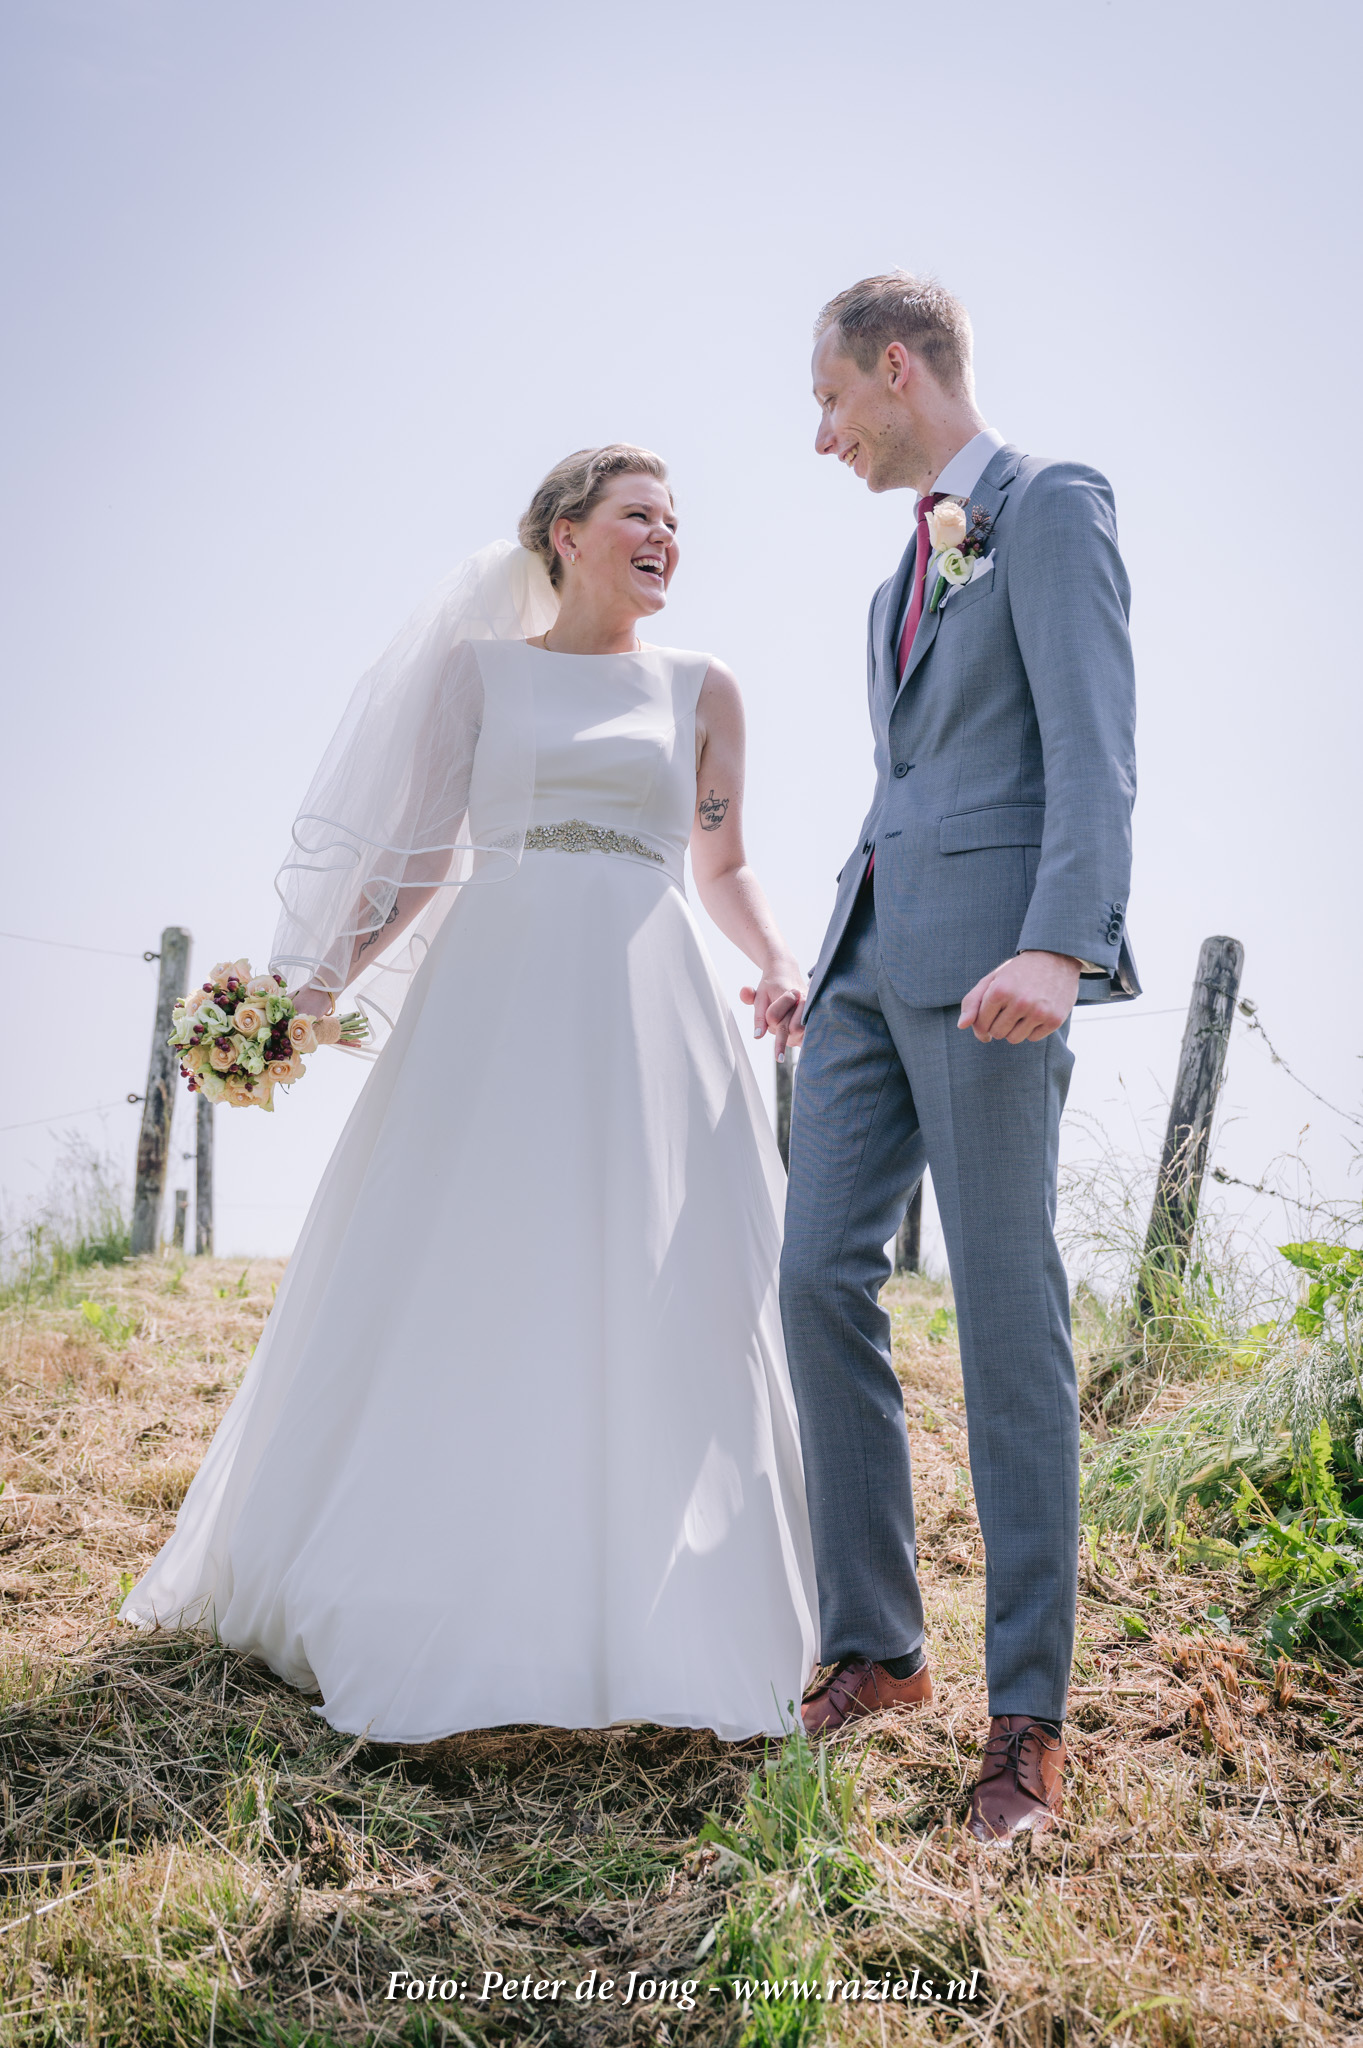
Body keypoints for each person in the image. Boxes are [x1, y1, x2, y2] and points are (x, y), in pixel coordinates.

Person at [122, 445, 818, 1745]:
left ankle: (656, 1607)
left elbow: (722, 864)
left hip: (650, 1009)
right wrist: (308, 990)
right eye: (638, 516)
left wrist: (778, 956)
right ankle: (431, 1577)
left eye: (677, 520)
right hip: (498, 1001)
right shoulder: (477, 678)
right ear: (564, 532)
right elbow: (416, 858)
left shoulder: (704, 688)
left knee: (659, 1284)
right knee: (473, 1266)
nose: (666, 536)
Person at [780, 273, 1138, 1839]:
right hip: (865, 972)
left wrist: (1063, 944)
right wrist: (825, 957)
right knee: (810, 1276)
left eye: (831, 401)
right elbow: (906, 783)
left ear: (897, 366)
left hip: (1001, 972)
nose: (822, 437)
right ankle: (877, 1645)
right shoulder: (889, 591)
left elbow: (1096, 739)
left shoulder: (1053, 506)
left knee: (1006, 1322)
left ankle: (1026, 1722)